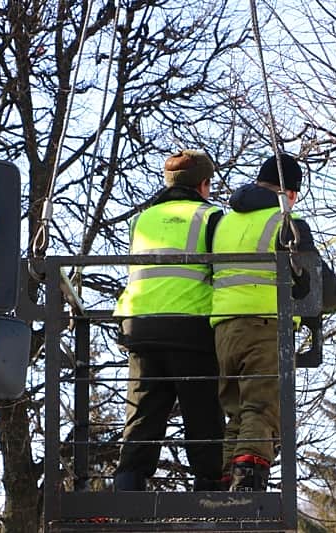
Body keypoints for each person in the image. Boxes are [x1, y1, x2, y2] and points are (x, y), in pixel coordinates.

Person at [211, 153, 336, 491]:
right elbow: (314, 281)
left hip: (223, 330)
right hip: (265, 326)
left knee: (238, 414)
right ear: (290, 192)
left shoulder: (224, 223)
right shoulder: (285, 223)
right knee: (262, 408)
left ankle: (223, 482)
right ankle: (248, 483)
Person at [113, 149, 225, 491]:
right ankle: (209, 487)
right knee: (202, 413)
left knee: (143, 411)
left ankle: (128, 487)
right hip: (191, 326)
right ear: (203, 184)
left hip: (141, 325)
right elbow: (221, 273)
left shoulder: (141, 220)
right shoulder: (211, 217)